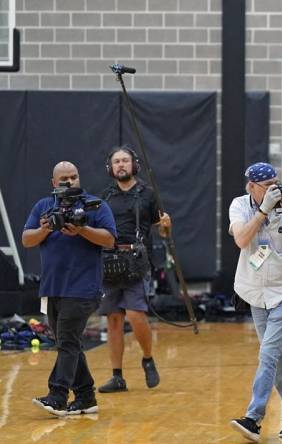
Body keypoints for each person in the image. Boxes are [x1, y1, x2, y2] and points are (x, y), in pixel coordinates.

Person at [23, 161, 116, 416]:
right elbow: (26, 239)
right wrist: (44, 229)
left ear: (79, 178)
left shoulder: (95, 205)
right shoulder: (44, 206)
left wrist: (82, 230)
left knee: (66, 341)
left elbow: (109, 240)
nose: (69, 182)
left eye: (73, 177)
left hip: (84, 287)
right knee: (69, 342)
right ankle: (86, 397)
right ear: (54, 182)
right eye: (63, 179)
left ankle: (58, 395)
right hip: (53, 286)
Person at [228, 162, 282, 441]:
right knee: (275, 359)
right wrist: (263, 211)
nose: (274, 189)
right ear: (251, 186)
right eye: (267, 185)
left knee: (268, 354)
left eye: (276, 183)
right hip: (254, 292)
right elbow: (241, 239)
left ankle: (253, 418)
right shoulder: (240, 205)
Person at [97, 146, 171, 393]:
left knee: (135, 314)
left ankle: (147, 358)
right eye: (116, 161)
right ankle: (117, 376)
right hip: (109, 260)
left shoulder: (148, 195)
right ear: (110, 167)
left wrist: (166, 227)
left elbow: (162, 230)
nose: (121, 165)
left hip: (137, 261)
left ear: (134, 165)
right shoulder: (105, 196)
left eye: (125, 160)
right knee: (114, 319)